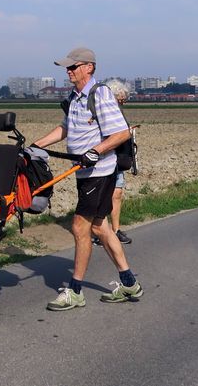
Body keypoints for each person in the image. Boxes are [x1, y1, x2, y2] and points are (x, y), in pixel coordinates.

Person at [32, 47, 143, 311]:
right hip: (84, 172)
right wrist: (36, 145)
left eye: (73, 66)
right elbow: (66, 128)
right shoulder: (75, 97)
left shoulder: (100, 94)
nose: (68, 71)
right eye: (67, 68)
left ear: (89, 67)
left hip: (99, 172)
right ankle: (129, 283)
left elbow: (121, 133)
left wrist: (96, 151)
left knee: (80, 227)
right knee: (100, 228)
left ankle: (75, 291)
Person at [92, 79, 133, 246]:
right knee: (103, 197)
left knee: (117, 194)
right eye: (121, 98)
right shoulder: (102, 112)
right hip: (105, 160)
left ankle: (115, 230)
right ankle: (101, 231)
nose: (123, 101)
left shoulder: (119, 112)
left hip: (119, 159)